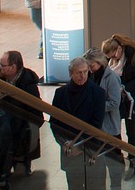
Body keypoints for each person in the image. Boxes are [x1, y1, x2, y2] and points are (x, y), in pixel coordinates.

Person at [51, 57, 105, 190]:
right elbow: (54, 123)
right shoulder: (60, 93)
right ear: (70, 73)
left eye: (85, 72)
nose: (83, 76)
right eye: (79, 73)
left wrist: (79, 145)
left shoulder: (98, 93)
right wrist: (65, 143)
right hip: (70, 154)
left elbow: (95, 125)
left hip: (91, 153)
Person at [102, 34, 135, 178]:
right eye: (109, 58)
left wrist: (123, 87)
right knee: (115, 129)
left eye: (114, 57)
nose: (112, 60)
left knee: (131, 129)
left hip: (132, 99)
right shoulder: (108, 59)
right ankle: (118, 160)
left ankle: (133, 161)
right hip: (116, 101)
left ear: (119, 49)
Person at [84, 47, 126, 188]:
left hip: (109, 128)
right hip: (95, 127)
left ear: (100, 63)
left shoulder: (111, 78)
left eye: (92, 66)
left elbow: (114, 103)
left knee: (113, 163)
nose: (90, 70)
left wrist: (95, 108)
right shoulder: (90, 75)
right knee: (98, 163)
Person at [0, 50, 44, 176]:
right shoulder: (0, 81)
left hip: (23, 135)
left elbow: (35, 112)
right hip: (7, 132)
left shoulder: (28, 86)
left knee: (20, 173)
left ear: (13, 68)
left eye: (2, 65)